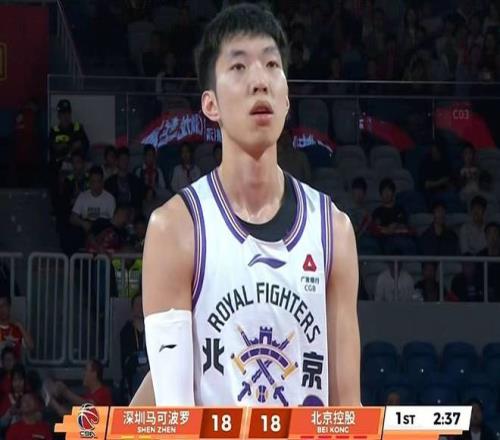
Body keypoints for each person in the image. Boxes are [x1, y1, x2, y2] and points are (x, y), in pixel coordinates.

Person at [132, 3, 360, 407]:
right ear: (211, 105)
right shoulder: (176, 229)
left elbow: (347, 411)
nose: (259, 81)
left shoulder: (333, 230)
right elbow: (173, 416)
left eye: (272, 65)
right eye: (238, 67)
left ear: (287, 99)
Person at [47, 359, 112, 417]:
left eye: (86, 370)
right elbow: (67, 414)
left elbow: (89, 406)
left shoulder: (104, 393)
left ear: (94, 373)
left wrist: (65, 391)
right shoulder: (88, 395)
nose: (83, 373)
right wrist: (50, 400)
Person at [372, 178, 417, 255]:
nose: (386, 193)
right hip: (386, 241)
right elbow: (376, 229)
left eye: (389, 190)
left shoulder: (400, 209)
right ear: (380, 194)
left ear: (393, 193)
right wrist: (387, 229)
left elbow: (405, 226)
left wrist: (395, 227)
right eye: (384, 191)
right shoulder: (377, 212)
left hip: (402, 239)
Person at [48, 99, 89, 173]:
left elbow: (85, 144)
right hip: (59, 166)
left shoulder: (78, 128)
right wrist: (69, 146)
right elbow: (54, 148)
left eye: (68, 113)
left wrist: (77, 146)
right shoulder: (54, 131)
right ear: (58, 115)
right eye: (63, 113)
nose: (66, 116)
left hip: (76, 165)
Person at [120, 294, 148, 397]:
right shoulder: (126, 331)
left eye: (142, 305)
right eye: (138, 305)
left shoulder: (152, 329)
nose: (140, 308)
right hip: (133, 373)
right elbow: (126, 358)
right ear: (132, 309)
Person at [105, 148, 144, 214]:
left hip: (132, 212)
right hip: (115, 212)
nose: (124, 162)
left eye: (126, 159)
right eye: (122, 159)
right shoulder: (109, 182)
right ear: (117, 161)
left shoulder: (135, 181)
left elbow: (138, 202)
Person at [0, 296, 34, 361]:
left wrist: (20, 325)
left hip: (15, 366)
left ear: (9, 307)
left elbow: (30, 346)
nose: (1, 309)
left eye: (4, 305)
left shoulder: (17, 328)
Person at [477, 222, 500, 302]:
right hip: (484, 296)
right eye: (490, 233)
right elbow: (478, 278)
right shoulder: (480, 256)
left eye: (495, 233)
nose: (493, 236)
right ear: (486, 236)